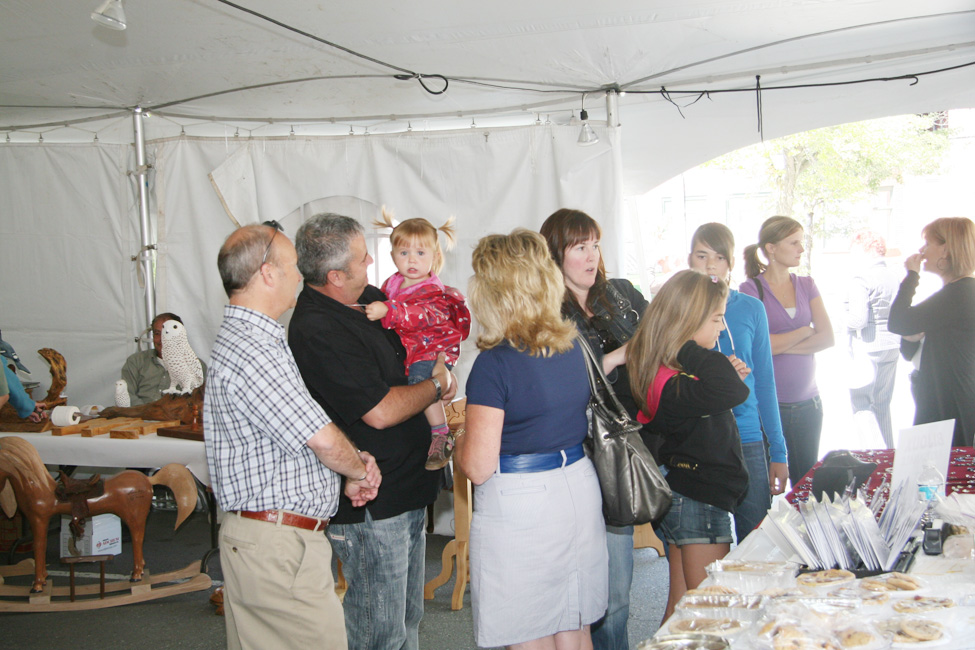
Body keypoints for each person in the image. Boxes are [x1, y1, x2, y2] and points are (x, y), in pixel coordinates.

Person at [204, 222, 381, 650]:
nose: (301, 274)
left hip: (271, 542)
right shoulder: (254, 349)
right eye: (292, 265)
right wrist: (360, 469)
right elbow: (320, 438)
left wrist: (352, 465)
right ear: (267, 273)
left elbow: (295, 433)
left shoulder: (254, 338)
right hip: (277, 548)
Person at [289, 213, 455, 650]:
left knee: (405, 619)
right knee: (378, 631)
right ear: (333, 275)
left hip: (406, 488)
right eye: (363, 260)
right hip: (371, 506)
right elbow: (380, 411)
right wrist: (437, 385)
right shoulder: (317, 328)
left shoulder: (371, 297)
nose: (373, 265)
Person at [454, 229, 608, 650]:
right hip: (576, 486)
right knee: (574, 628)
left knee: (528, 630)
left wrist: (458, 435)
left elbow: (479, 465)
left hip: (522, 505)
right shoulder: (573, 347)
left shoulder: (495, 365)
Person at [539, 208, 646, 650]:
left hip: (637, 441)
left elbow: (663, 343)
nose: (591, 255)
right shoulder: (546, 311)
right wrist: (619, 357)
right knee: (604, 594)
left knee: (618, 593)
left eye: (595, 244)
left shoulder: (619, 292)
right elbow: (558, 385)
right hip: (582, 453)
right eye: (579, 246)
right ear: (555, 254)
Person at [627, 270, 749, 621]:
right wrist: (690, 347)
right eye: (716, 318)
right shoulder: (674, 379)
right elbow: (733, 392)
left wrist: (715, 368)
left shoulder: (672, 374)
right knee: (709, 613)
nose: (722, 328)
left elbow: (723, 392)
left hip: (689, 498)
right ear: (688, 322)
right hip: (699, 502)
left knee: (681, 611)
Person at [687, 224, 788, 543]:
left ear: (730, 264)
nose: (710, 265)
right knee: (705, 548)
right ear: (690, 259)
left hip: (746, 437)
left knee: (756, 543)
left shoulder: (750, 308)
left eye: (719, 257)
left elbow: (766, 384)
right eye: (702, 256)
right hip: (697, 439)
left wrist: (779, 452)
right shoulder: (677, 309)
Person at [365, 209, 471, 470]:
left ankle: (440, 432)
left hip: (432, 349)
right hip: (412, 349)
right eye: (404, 253)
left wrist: (389, 311)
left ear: (435, 257)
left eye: (420, 253)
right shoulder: (392, 282)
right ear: (392, 256)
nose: (411, 260)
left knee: (421, 384)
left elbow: (422, 316)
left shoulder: (433, 289)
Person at [741, 216, 834, 486]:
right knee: (768, 486)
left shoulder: (807, 285)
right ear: (771, 247)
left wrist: (778, 345)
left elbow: (827, 338)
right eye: (794, 242)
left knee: (806, 486)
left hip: (809, 405)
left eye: (801, 242)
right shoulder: (751, 289)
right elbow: (757, 347)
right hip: (769, 407)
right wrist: (804, 331)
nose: (801, 249)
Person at [888, 217, 975, 447]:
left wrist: (912, 276)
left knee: (940, 471)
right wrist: (912, 335)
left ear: (945, 249)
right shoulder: (956, 292)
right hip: (941, 393)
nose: (921, 250)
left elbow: (897, 321)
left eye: (927, 243)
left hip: (948, 399)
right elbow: (909, 344)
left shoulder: (960, 293)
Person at [845, 230, 901, 449]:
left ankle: (870, 454)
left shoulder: (862, 278)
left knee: (861, 404)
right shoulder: (894, 276)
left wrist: (843, 315)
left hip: (868, 347)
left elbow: (858, 319)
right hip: (893, 344)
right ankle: (889, 453)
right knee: (883, 403)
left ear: (863, 250)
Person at [121, 312, 207, 405]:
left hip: (178, 418)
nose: (163, 338)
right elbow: (126, 396)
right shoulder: (136, 361)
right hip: (140, 417)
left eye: (168, 333)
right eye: (157, 333)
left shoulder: (195, 364)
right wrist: (148, 413)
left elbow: (201, 401)